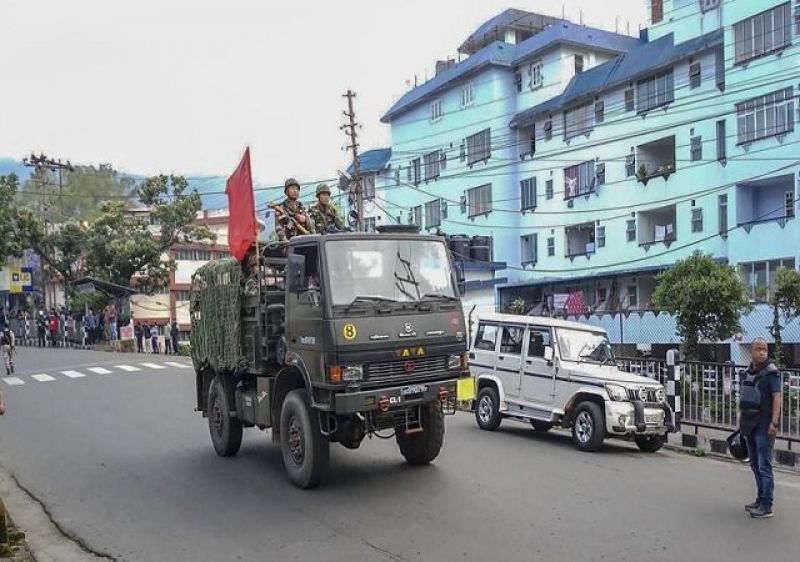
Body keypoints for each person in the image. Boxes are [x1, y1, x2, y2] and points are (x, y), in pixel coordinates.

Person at [738, 337, 782, 519]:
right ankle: (759, 499)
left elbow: (777, 398)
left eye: (764, 349)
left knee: (764, 465)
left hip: (764, 425)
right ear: (752, 351)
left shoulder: (771, 373)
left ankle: (767, 505)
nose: (762, 352)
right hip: (749, 423)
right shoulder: (748, 372)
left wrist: (774, 422)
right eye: (758, 349)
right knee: (755, 464)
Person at [273, 178, 316, 242]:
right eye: (292, 188)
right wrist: (286, 242)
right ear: (286, 191)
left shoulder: (302, 208)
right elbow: (279, 229)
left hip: (305, 242)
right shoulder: (281, 208)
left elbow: (312, 226)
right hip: (290, 244)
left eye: (297, 189)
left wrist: (305, 219)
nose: (295, 191)